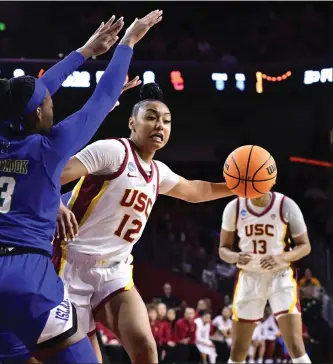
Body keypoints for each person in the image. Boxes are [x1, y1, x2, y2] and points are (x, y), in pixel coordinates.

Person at [0, 10, 162, 363]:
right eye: (49, 102)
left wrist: (83, 52)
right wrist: (126, 44)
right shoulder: (49, 149)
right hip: (26, 279)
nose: (52, 102)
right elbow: (100, 97)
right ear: (37, 114)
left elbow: (30, 92)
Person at [53, 81, 234, 363]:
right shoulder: (112, 151)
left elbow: (197, 191)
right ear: (132, 123)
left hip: (114, 270)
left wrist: (239, 187)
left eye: (166, 120)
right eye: (151, 117)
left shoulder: (158, 171)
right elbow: (52, 174)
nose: (159, 125)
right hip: (69, 265)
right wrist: (55, 205)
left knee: (145, 349)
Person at [219, 191, 312, 364]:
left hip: (281, 275)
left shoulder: (286, 204)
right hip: (249, 277)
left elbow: (305, 246)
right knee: (238, 350)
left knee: (296, 347)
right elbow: (223, 249)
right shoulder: (234, 207)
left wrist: (281, 258)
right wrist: (235, 257)